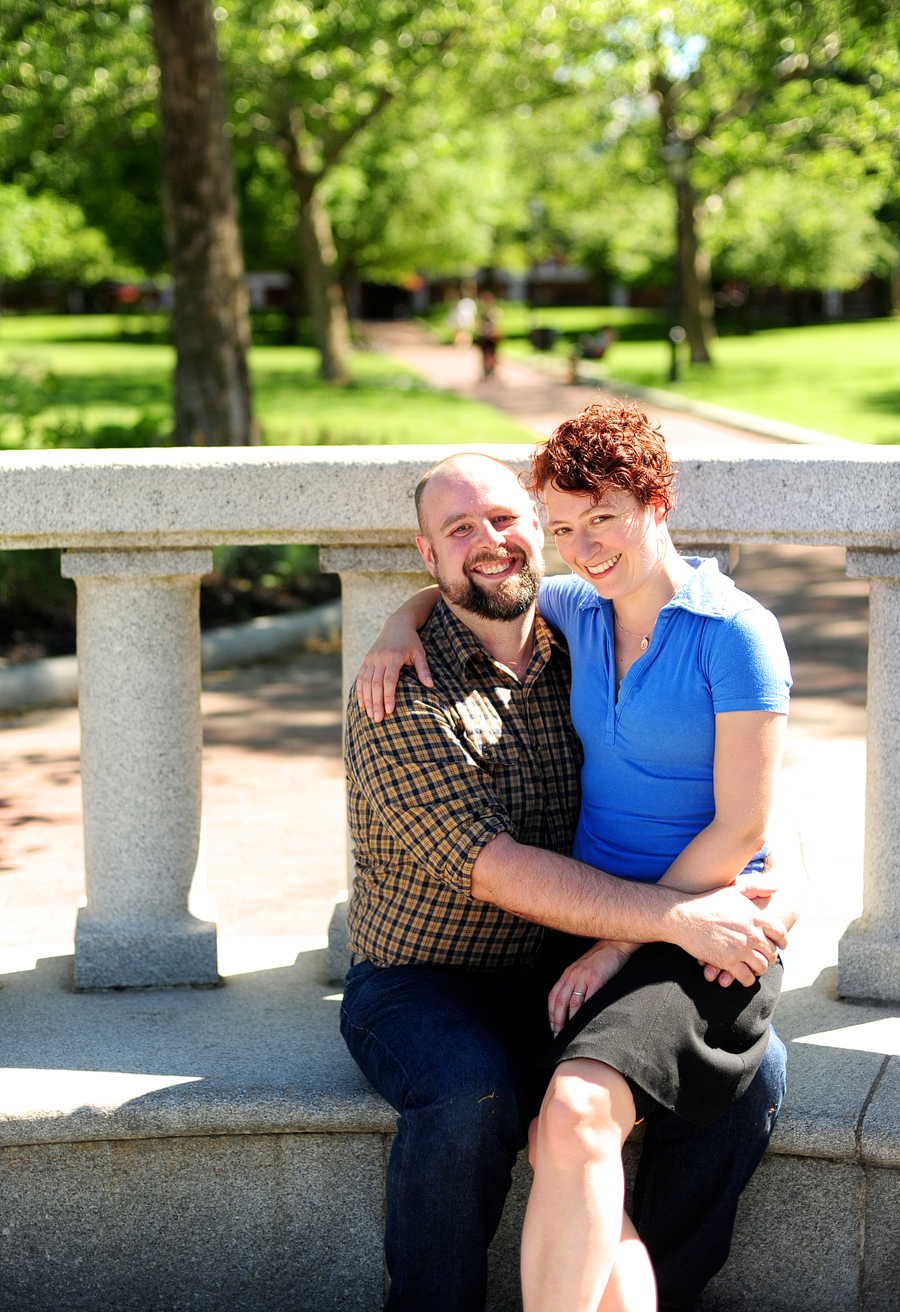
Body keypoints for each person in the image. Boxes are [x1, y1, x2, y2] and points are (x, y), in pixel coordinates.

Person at [343, 442, 804, 1312]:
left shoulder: (580, 630)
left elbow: (740, 776)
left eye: (510, 519)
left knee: (754, 1075)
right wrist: (668, 921)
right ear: (428, 555)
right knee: (470, 1093)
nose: (491, 540)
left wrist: (788, 866)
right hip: (425, 980)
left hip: (562, 961)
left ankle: (657, 1288)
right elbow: (499, 871)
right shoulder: (401, 693)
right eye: (459, 528)